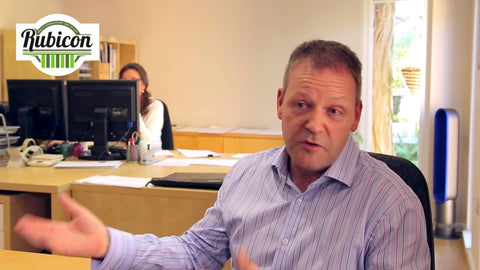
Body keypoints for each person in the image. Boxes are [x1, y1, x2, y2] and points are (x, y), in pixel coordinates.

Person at [14, 40, 430, 269]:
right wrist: (110, 243)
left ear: (355, 116)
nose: (315, 124)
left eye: (334, 111)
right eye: (302, 105)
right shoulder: (246, 175)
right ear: (281, 103)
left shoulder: (392, 206)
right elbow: (196, 254)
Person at [119, 63, 164, 149]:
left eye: (133, 81)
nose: (128, 85)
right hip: (120, 157)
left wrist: (134, 110)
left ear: (144, 85)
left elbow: (149, 143)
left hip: (149, 157)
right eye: (124, 81)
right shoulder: (116, 105)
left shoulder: (155, 106)